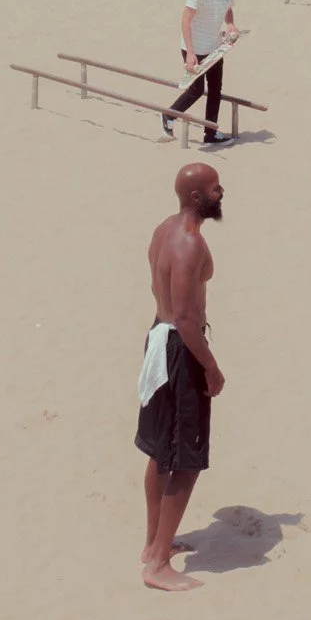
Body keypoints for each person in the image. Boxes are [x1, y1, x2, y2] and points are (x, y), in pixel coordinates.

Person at [136, 161, 226, 590]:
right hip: (179, 349)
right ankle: (157, 565)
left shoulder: (163, 230)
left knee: (161, 450)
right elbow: (187, 318)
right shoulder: (190, 244)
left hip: (158, 337)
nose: (220, 193)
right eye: (214, 188)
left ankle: (154, 542)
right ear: (195, 197)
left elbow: (161, 290)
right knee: (186, 460)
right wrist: (211, 366)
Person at [163, 0, 239, 144]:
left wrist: (231, 24)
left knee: (215, 89)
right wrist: (190, 53)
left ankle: (210, 133)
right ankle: (169, 115)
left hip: (215, 48)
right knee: (196, 90)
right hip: (194, 48)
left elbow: (227, 8)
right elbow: (185, 20)